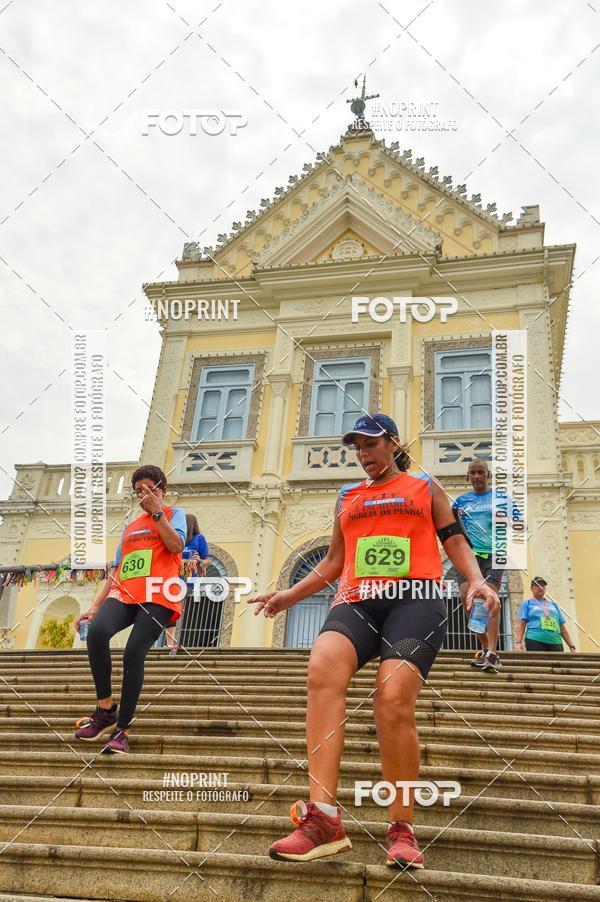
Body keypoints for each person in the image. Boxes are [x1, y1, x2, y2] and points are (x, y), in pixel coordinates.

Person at [247, 413, 499, 870]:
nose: (363, 454)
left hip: (416, 599)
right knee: (322, 667)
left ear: (393, 443)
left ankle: (401, 827)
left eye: (371, 444)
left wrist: (477, 580)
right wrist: (287, 596)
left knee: (393, 696)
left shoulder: (425, 487)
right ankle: (323, 820)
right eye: (357, 447)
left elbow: (454, 540)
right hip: (358, 600)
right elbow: (332, 563)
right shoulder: (348, 497)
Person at [73, 465, 185, 753]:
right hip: (124, 594)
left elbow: (175, 546)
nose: (143, 495)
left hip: (158, 596)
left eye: (148, 489)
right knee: (96, 633)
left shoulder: (175, 515)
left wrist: (157, 512)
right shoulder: (131, 527)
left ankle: (122, 730)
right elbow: (119, 569)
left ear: (162, 489)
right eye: (138, 492)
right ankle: (105, 709)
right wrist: (94, 607)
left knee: (133, 652)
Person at [452, 458, 521, 673]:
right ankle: (483, 646)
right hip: (469, 555)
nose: (477, 477)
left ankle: (492, 652)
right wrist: (457, 519)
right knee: (467, 598)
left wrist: (506, 520)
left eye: (481, 472)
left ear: (488, 474)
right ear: (468, 476)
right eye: (473, 473)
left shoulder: (501, 498)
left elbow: (521, 526)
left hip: (495, 554)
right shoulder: (460, 502)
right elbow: (450, 529)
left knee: (489, 600)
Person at [164, 514, 209, 656]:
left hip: (189, 580)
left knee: (178, 609)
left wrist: (197, 560)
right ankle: (170, 643)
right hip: (172, 579)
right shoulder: (176, 539)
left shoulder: (199, 539)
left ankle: (174, 643)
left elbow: (207, 560)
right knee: (171, 610)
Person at [516, 577, 576, 653]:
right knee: (539, 664)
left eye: (543, 585)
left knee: (557, 664)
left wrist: (571, 646)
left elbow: (562, 629)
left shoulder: (554, 605)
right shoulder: (527, 603)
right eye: (537, 585)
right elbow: (521, 624)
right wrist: (518, 643)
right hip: (535, 639)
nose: (540, 587)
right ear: (531, 588)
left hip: (555, 641)